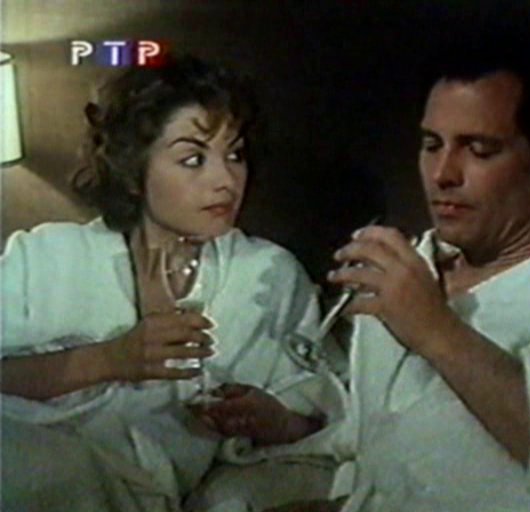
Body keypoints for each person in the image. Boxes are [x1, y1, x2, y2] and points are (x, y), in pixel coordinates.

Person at [264, 40, 530, 511]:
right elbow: (386, 443)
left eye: (480, 149)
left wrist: (436, 331)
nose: (442, 174)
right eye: (432, 145)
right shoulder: (414, 268)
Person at [1, 54, 336, 512]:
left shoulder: (266, 275)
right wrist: (109, 359)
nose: (225, 180)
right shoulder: (47, 254)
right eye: (193, 159)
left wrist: (271, 420)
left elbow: (324, 416)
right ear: (133, 172)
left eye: (235, 155)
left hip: (117, 487)